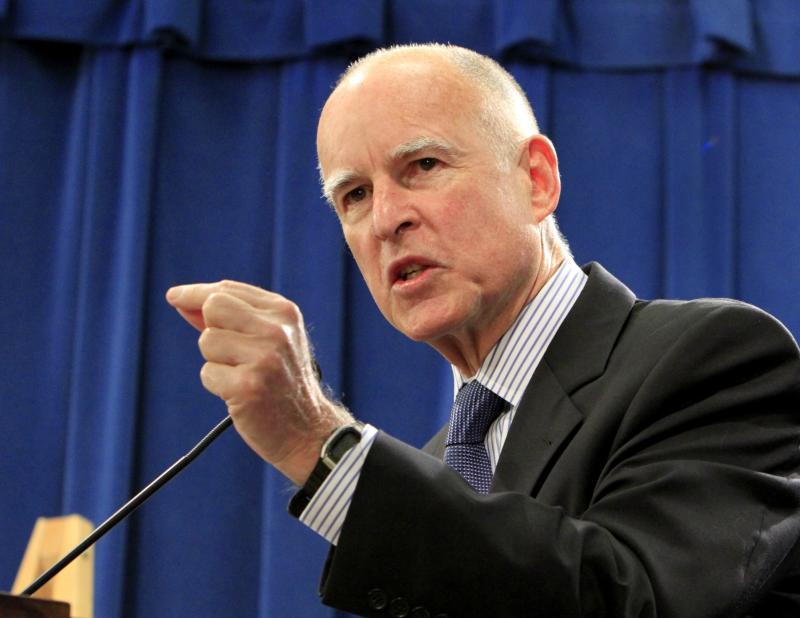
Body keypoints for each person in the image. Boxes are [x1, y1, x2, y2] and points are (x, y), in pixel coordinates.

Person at [166, 44, 800, 617]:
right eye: (354, 195)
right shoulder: (437, 467)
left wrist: (317, 441)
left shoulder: (714, 358)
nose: (385, 219)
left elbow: (635, 599)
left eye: (423, 165)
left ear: (536, 181)